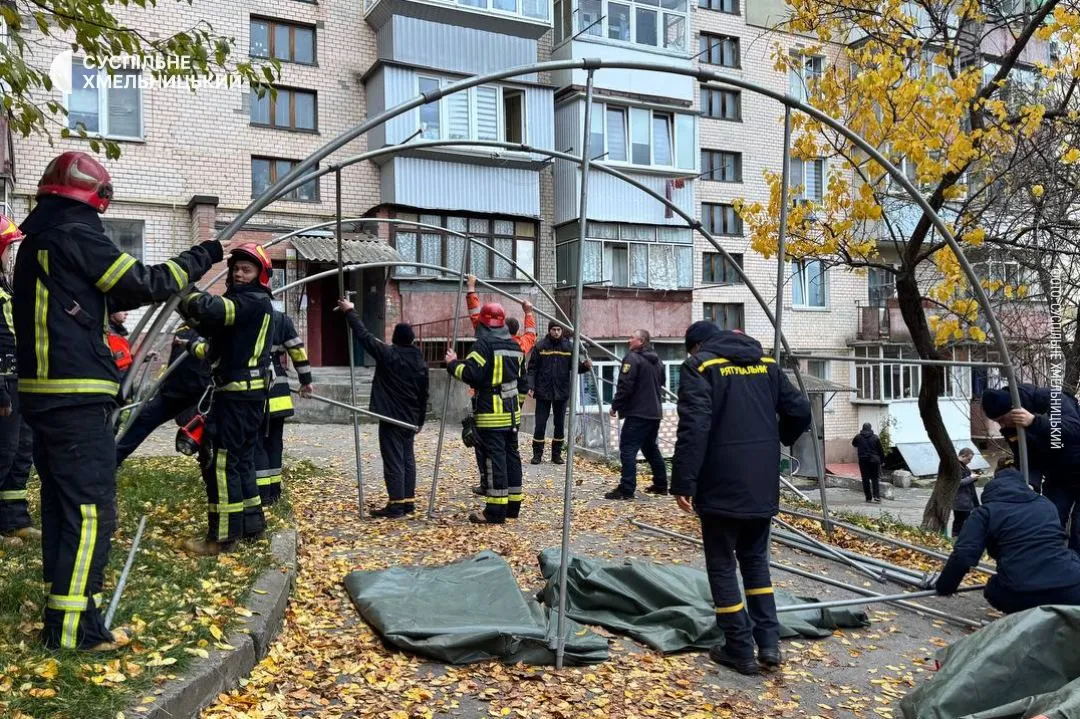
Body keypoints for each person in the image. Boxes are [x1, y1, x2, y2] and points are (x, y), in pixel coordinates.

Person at [13, 150, 220, 651]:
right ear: (93, 196)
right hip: (76, 393)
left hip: (45, 394)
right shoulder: (75, 230)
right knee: (89, 509)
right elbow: (141, 283)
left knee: (65, 505)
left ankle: (63, 601)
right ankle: (72, 631)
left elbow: (109, 294)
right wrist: (203, 254)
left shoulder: (38, 238)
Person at [671, 322, 811, 675]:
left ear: (697, 345)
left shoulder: (700, 366)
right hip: (761, 481)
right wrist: (774, 440)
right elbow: (800, 411)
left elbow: (695, 426)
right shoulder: (765, 364)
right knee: (755, 562)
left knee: (721, 565)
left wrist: (683, 481)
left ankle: (738, 648)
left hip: (720, 482)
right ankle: (768, 644)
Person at [176, 242, 274, 556]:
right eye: (236, 269)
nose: (239, 273)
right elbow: (213, 342)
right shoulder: (247, 306)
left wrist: (183, 291)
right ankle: (251, 524)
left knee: (219, 462)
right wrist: (189, 329)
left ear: (261, 275)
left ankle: (220, 537)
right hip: (244, 398)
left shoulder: (252, 301)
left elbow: (214, 310)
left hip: (236, 399)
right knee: (241, 461)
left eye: (247, 269)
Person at [935, 455, 1080, 614]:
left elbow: (964, 554)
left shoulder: (985, 512)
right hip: (1072, 587)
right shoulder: (1045, 504)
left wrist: (945, 587)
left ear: (992, 487)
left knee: (992, 587)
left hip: (1022, 593)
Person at [337, 297, 428, 518]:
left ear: (395, 339)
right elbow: (425, 394)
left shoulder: (389, 355)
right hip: (410, 419)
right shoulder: (420, 361)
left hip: (392, 418)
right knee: (407, 459)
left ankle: (396, 504)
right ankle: (408, 502)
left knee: (394, 460)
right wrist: (420, 421)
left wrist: (350, 312)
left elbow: (365, 337)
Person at [446, 302, 525, 524]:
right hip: (512, 416)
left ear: (483, 323)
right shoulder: (515, 347)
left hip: (491, 415)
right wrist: (515, 408)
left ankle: (494, 512)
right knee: (512, 458)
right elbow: (523, 382)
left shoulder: (483, 346)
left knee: (494, 461)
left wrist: (452, 364)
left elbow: (471, 374)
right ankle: (512, 507)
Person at [982, 385, 1080, 550]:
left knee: (1078, 529)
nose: (1001, 425)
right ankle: (1050, 564)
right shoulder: (1011, 428)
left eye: (1001, 419)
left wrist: (1034, 421)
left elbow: (1074, 427)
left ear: (1014, 410)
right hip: (1057, 475)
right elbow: (1026, 457)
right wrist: (1028, 484)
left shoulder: (1051, 397)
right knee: (1050, 520)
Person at [465, 275, 535, 496]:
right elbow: (532, 334)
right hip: (512, 406)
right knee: (509, 450)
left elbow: (476, 316)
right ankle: (509, 492)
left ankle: (489, 485)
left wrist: (471, 288)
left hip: (486, 401)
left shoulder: (487, 340)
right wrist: (529, 312)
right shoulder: (520, 345)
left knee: (484, 446)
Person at [115, 324, 212, 465]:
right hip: (172, 392)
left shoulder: (214, 325)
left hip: (203, 395)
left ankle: (210, 471)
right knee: (142, 421)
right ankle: (109, 465)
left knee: (203, 436)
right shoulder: (184, 326)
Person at [0, 214, 38, 547]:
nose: (12, 257)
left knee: (20, 452)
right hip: (2, 385)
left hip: (18, 380)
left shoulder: (6, 286)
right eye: (8, 249)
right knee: (3, 452)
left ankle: (14, 519)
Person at [256, 309, 313, 506]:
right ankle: (274, 492)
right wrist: (306, 381)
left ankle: (261, 494)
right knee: (274, 443)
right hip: (278, 393)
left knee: (257, 444)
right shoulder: (281, 319)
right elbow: (297, 350)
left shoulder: (244, 312)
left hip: (253, 395)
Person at [604, 329, 666, 500]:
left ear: (641, 341)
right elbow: (662, 382)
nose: (628, 340)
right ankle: (661, 485)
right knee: (650, 448)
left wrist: (615, 405)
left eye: (632, 337)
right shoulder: (657, 360)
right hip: (655, 413)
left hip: (638, 413)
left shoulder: (632, 358)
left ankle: (626, 489)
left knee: (627, 449)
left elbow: (625, 385)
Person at [526, 317, 591, 465]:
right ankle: (537, 454)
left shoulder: (568, 347)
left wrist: (585, 366)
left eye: (558, 330)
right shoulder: (540, 346)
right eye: (554, 329)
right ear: (549, 330)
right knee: (540, 424)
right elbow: (532, 369)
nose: (556, 332)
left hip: (561, 392)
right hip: (543, 391)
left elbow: (575, 367)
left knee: (560, 424)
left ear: (562, 331)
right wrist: (531, 386)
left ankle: (556, 455)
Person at [851, 422, 885, 504]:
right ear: (870, 428)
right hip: (874, 460)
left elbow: (854, 444)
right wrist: (882, 461)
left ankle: (868, 497)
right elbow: (881, 451)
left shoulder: (858, 437)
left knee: (865, 479)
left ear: (863, 428)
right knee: (875, 478)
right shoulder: (875, 438)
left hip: (863, 460)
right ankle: (876, 496)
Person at [952, 448, 979, 537]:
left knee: (962, 521)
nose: (970, 462)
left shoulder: (964, 466)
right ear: (963, 456)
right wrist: (971, 478)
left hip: (965, 500)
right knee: (960, 521)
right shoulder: (956, 466)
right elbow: (958, 483)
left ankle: (959, 538)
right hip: (960, 501)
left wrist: (973, 478)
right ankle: (957, 538)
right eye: (969, 459)